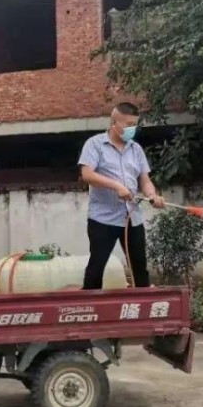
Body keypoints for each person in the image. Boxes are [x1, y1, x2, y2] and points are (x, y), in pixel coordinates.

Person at [77, 102, 165, 290]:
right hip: (102, 219)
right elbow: (87, 174)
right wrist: (116, 186)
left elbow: (144, 179)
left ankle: (142, 309)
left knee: (139, 267)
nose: (131, 129)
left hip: (132, 218)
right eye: (127, 124)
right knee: (96, 267)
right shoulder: (95, 145)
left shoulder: (136, 149)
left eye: (134, 124)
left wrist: (152, 195)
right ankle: (89, 310)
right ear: (114, 122)